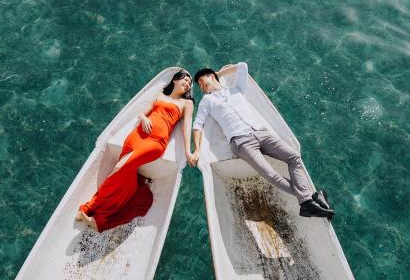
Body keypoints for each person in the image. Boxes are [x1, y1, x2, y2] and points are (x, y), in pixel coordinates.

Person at [190, 62, 334, 219]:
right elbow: (197, 125)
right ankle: (311, 198)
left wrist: (218, 72)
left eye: (202, 81)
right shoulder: (207, 101)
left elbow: (243, 66)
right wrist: (196, 149)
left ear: (211, 76)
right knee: (270, 174)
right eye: (199, 85)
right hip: (241, 142)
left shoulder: (235, 90)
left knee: (294, 156)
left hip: (261, 132)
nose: (201, 86)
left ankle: (308, 202)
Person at [76, 68, 197, 232]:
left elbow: (187, 127)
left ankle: (93, 210)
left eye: (189, 83)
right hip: (136, 136)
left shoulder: (186, 103)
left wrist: (189, 151)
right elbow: (142, 113)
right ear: (175, 80)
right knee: (121, 172)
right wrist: (144, 118)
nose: (187, 84)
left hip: (155, 142)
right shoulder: (160, 95)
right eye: (185, 80)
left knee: (119, 168)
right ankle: (92, 214)